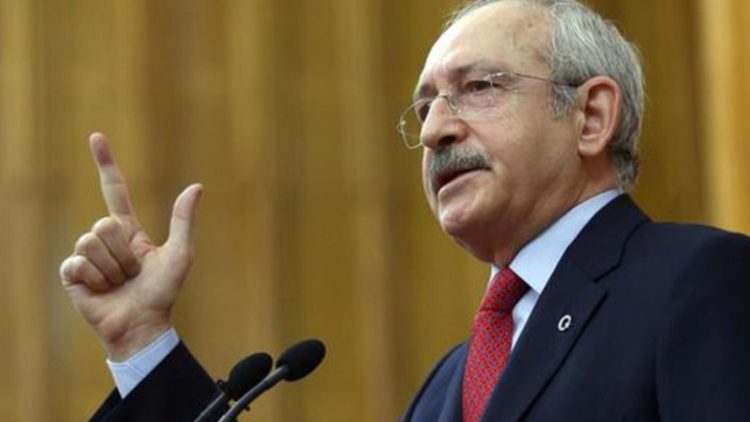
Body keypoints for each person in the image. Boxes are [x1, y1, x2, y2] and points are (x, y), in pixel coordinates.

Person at [60, 0, 750, 421]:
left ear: (591, 116)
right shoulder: (446, 386)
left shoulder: (699, 282)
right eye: (424, 109)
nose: (435, 131)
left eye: (478, 87)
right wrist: (144, 344)